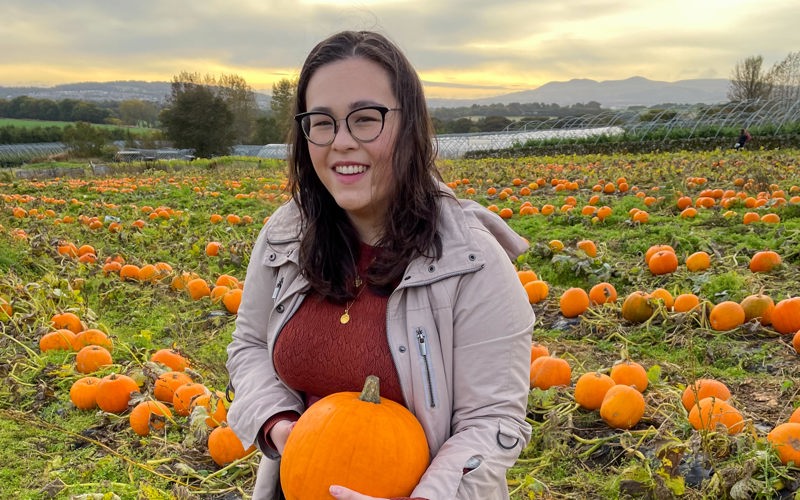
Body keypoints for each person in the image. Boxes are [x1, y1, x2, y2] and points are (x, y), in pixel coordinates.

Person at [225, 30, 535, 500]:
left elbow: (492, 423)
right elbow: (248, 346)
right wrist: (279, 424)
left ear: (408, 125)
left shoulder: (470, 259)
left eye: (365, 119)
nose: (342, 142)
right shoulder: (286, 235)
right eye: (323, 122)